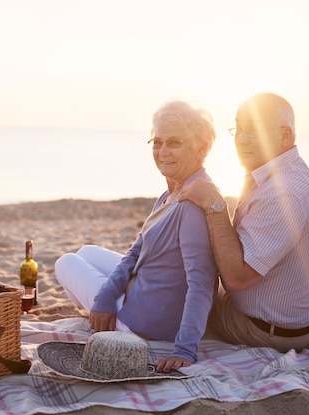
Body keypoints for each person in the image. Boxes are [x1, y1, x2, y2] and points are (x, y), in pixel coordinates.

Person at [55, 100, 219, 372]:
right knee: (86, 252)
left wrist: (185, 350)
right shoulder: (172, 193)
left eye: (175, 142)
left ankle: (111, 323)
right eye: (157, 142)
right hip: (146, 291)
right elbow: (135, 252)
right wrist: (106, 297)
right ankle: (106, 308)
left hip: (145, 324)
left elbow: (201, 282)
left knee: (65, 262)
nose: (162, 152)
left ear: (200, 147)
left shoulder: (192, 203)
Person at [179, 92, 309, 353]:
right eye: (238, 129)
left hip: (276, 331)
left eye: (253, 130)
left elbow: (236, 278)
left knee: (175, 294)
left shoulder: (284, 192)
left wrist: (215, 205)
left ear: (285, 136)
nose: (241, 140)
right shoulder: (281, 169)